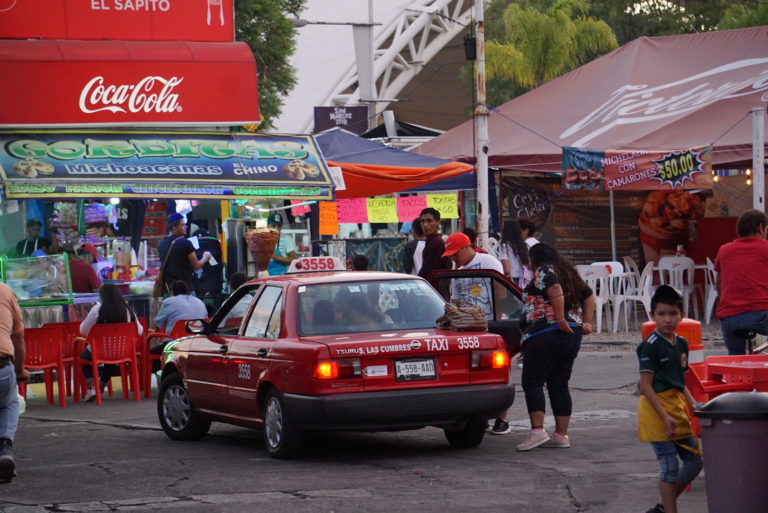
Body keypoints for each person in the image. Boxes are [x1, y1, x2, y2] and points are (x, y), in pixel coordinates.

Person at [516, 243, 595, 451]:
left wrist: (559, 318)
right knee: (558, 384)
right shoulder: (566, 271)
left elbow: (554, 289)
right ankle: (561, 435)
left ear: (534, 259)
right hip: (570, 335)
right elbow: (589, 296)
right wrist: (586, 322)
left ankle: (537, 432)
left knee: (532, 381)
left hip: (545, 333)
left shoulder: (544, 270)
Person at [637, 285, 703, 513]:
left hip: (677, 409)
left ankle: (663, 507)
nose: (667, 320)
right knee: (669, 466)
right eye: (661, 314)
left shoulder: (682, 343)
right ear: (652, 315)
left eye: (673, 314)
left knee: (695, 462)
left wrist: (696, 408)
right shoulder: (649, 346)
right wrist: (664, 417)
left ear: (681, 314)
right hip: (656, 412)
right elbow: (644, 386)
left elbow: (680, 383)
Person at [443, 232, 512, 435]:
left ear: (466, 247)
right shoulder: (457, 272)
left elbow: (501, 292)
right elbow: (455, 302)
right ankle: (480, 418)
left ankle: (502, 419)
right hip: (469, 328)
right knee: (476, 373)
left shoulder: (488, 261)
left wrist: (497, 321)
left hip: (492, 322)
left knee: (500, 369)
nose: (453, 258)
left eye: (455, 254)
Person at [714, 209, 768, 354]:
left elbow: (718, 285)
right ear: (760, 228)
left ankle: (735, 372)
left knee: (735, 360)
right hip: (761, 316)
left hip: (730, 317)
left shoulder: (724, 250)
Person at [79, 283, 144, 402]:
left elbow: (83, 330)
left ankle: (93, 386)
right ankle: (102, 384)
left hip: (99, 350)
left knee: (84, 358)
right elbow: (139, 331)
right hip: (123, 351)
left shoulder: (97, 309)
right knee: (112, 357)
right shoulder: (127, 309)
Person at [0, 282, 28, 483]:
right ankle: (4, 446)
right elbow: (18, 339)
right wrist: (20, 369)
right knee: (10, 402)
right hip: (2, 365)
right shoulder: (5, 291)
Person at [157, 213, 211, 294]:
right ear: (174, 228)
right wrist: (205, 257)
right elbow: (196, 266)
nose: (186, 227)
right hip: (185, 289)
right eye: (182, 225)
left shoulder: (161, 243)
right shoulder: (185, 243)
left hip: (168, 290)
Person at [417, 207, 451, 281]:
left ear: (438, 222)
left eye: (429, 221)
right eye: (422, 221)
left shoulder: (437, 243)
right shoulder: (431, 241)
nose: (425, 225)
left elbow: (427, 271)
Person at [498, 219, 532, 288]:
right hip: (525, 280)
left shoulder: (505, 246)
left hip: (512, 280)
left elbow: (507, 270)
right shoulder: (525, 245)